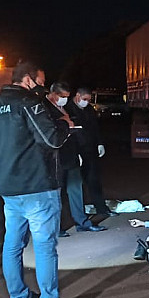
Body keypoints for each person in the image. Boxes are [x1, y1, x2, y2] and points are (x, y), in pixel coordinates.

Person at [0, 61, 82, 298]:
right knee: (45, 246)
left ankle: (19, 297)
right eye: (40, 81)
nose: (42, 87)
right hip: (36, 186)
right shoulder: (29, 103)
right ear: (28, 79)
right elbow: (51, 139)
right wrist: (65, 124)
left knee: (12, 244)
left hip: (8, 187)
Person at [43, 81, 106, 235]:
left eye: (66, 96)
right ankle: (55, 227)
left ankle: (82, 222)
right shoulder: (45, 108)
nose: (64, 99)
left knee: (75, 189)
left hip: (71, 155)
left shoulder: (63, 108)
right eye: (62, 96)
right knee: (56, 195)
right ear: (53, 94)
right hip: (57, 157)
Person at [65, 87, 116, 216]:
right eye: (85, 99)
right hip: (76, 151)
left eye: (88, 100)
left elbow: (95, 128)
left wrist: (100, 143)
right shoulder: (68, 109)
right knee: (75, 186)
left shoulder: (88, 110)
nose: (86, 102)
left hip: (90, 150)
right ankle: (78, 213)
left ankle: (101, 209)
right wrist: (74, 152)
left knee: (94, 180)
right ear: (77, 96)